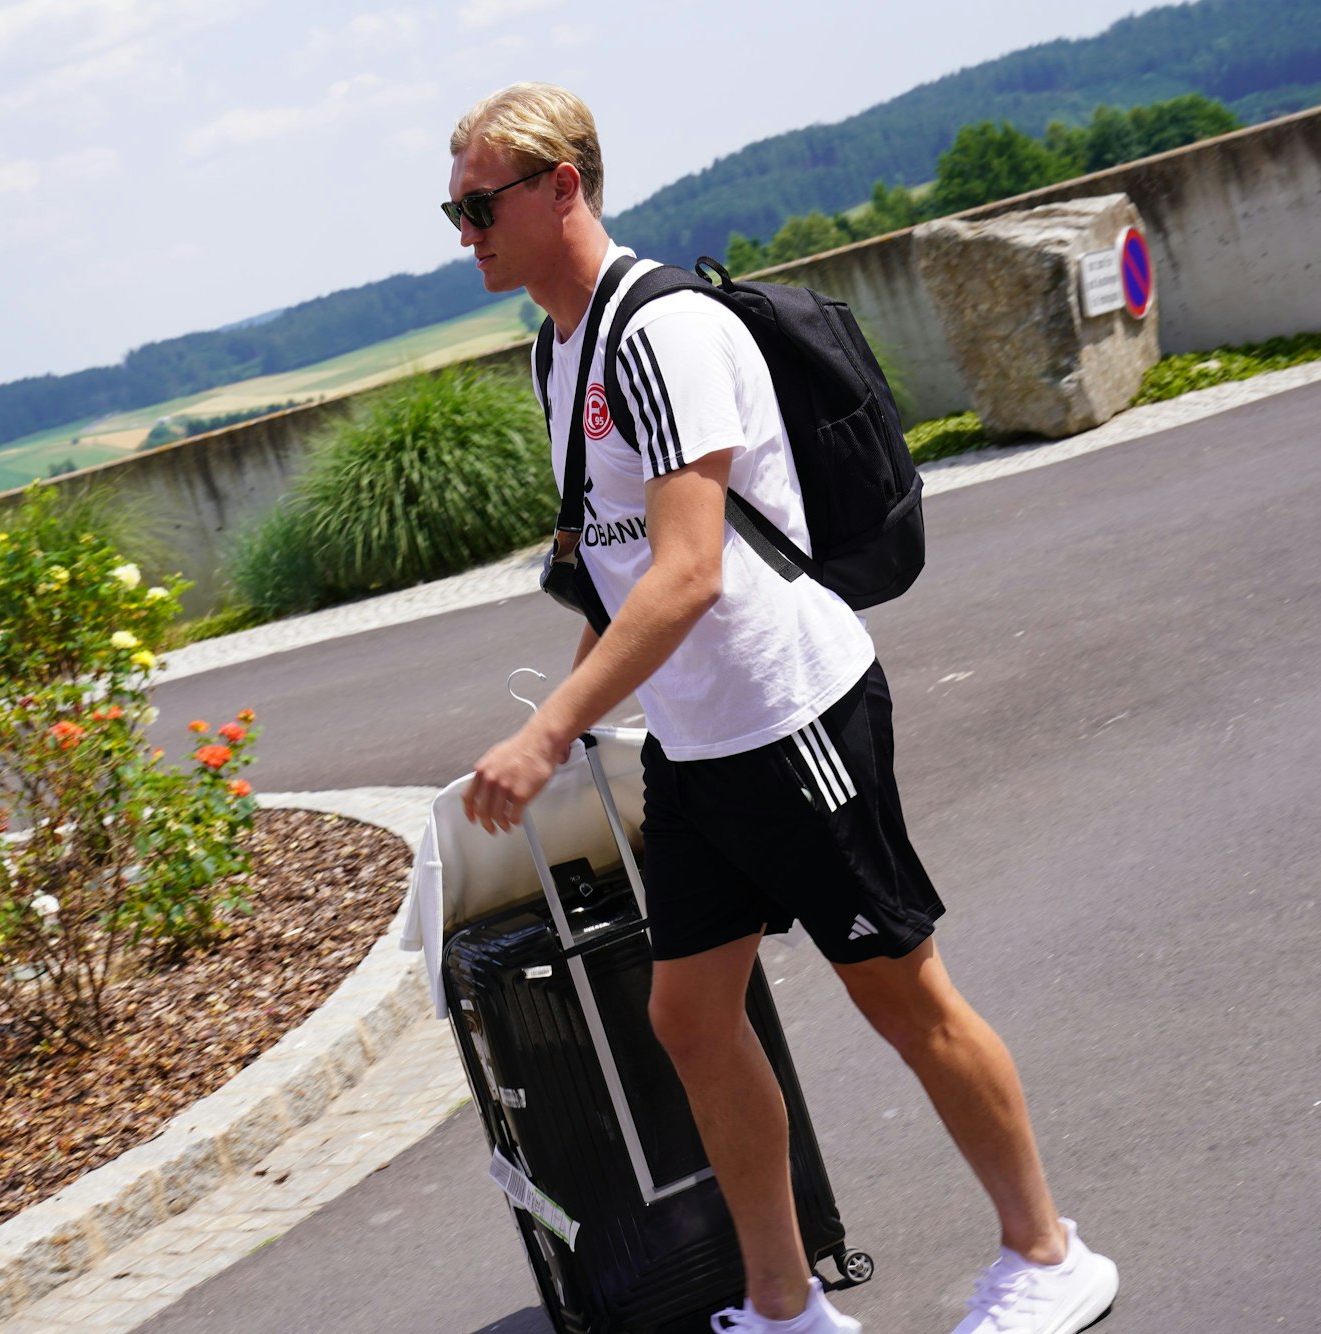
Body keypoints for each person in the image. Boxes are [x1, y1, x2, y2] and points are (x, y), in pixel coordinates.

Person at [447, 82, 1119, 1334]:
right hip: (703, 741)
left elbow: (693, 568)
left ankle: (1048, 1253)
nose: (465, 229)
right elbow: (620, 557)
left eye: (481, 203)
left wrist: (548, 732)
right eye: (454, 210)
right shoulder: (559, 346)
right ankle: (784, 1301)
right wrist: (588, 710)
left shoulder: (663, 332)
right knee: (690, 1013)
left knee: (899, 991)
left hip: (794, 713)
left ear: (561, 186)